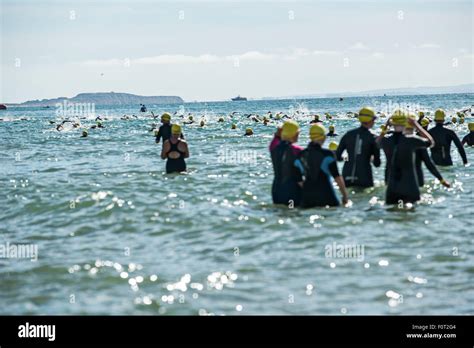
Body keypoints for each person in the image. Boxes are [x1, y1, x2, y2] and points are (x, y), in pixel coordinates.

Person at [379, 111, 435, 205]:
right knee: (410, 214)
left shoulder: (385, 141)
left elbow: (376, 142)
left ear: (392, 123)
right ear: (406, 122)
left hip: (392, 188)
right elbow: (431, 142)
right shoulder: (411, 140)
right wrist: (416, 125)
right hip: (410, 187)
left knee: (393, 214)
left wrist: (386, 125)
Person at [296, 124, 348, 207]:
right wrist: (345, 196)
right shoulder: (327, 154)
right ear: (323, 137)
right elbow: (337, 177)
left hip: (307, 198)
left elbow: (299, 180)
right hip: (327, 196)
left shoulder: (300, 155)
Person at [335, 106, 381, 188]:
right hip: (364, 177)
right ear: (370, 120)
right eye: (374, 119)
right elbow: (377, 164)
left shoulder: (348, 134)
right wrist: (371, 158)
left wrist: (347, 158)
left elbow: (338, 157)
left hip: (347, 175)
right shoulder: (373, 137)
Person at [404, 115, 450, 188]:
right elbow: (429, 164)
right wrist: (441, 180)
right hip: (417, 181)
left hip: (399, 181)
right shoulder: (419, 144)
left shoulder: (394, 143)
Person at [269, 120, 303, 206]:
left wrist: (279, 132)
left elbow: (276, 138)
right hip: (292, 191)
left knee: (279, 213)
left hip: (276, 191)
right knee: (292, 213)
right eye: (297, 133)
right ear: (293, 134)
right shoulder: (297, 150)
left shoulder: (273, 147)